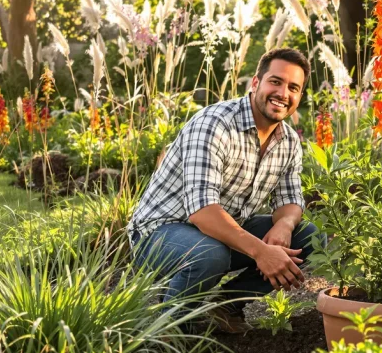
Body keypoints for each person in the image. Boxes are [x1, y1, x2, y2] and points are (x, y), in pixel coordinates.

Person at [127, 47, 322, 334]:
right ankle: (170, 330)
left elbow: (290, 198)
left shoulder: (289, 140)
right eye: (275, 81)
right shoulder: (214, 124)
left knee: (308, 237)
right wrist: (261, 252)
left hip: (222, 233)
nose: (283, 93)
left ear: (299, 97)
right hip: (160, 233)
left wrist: (284, 224)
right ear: (255, 83)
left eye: (293, 87)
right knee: (208, 254)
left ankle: (226, 306)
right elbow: (203, 213)